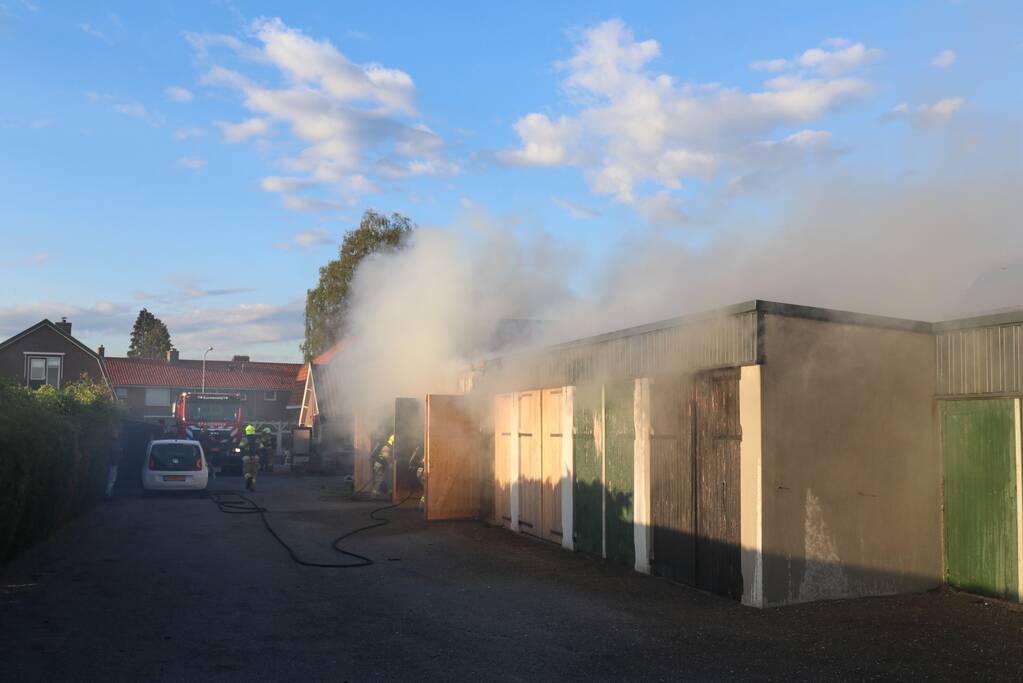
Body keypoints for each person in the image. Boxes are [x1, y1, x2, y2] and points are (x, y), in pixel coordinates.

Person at [104, 425, 123, 500]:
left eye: (117, 432)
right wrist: (119, 450)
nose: (116, 434)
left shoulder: (116, 441)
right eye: (115, 432)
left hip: (114, 463)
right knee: (111, 480)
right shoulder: (111, 442)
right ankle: (107, 494)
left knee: (111, 479)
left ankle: (109, 493)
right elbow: (113, 450)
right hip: (112, 463)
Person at [241, 424, 259, 492]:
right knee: (254, 473)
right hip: (255, 458)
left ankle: (249, 479)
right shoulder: (257, 439)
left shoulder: (244, 439)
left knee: (246, 472)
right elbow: (262, 448)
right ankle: (252, 486)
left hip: (246, 458)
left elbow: (241, 446)